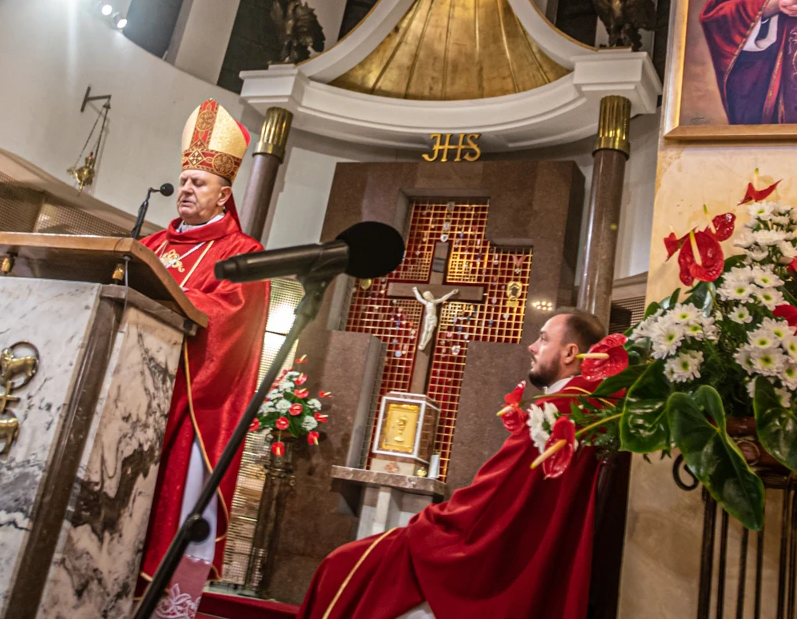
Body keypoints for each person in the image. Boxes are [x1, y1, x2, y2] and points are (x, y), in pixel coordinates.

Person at [298, 309, 608, 619]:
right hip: (529, 566)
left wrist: (426, 525)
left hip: (489, 569)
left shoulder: (556, 412)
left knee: (341, 567)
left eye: (543, 339)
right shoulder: (592, 412)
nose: (532, 346)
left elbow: (487, 503)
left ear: (570, 353)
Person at [137, 99, 269, 609]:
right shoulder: (149, 244)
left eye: (199, 183)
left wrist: (173, 298)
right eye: (184, 179)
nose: (187, 189)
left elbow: (232, 318)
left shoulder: (243, 252)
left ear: (225, 194)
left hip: (192, 402)